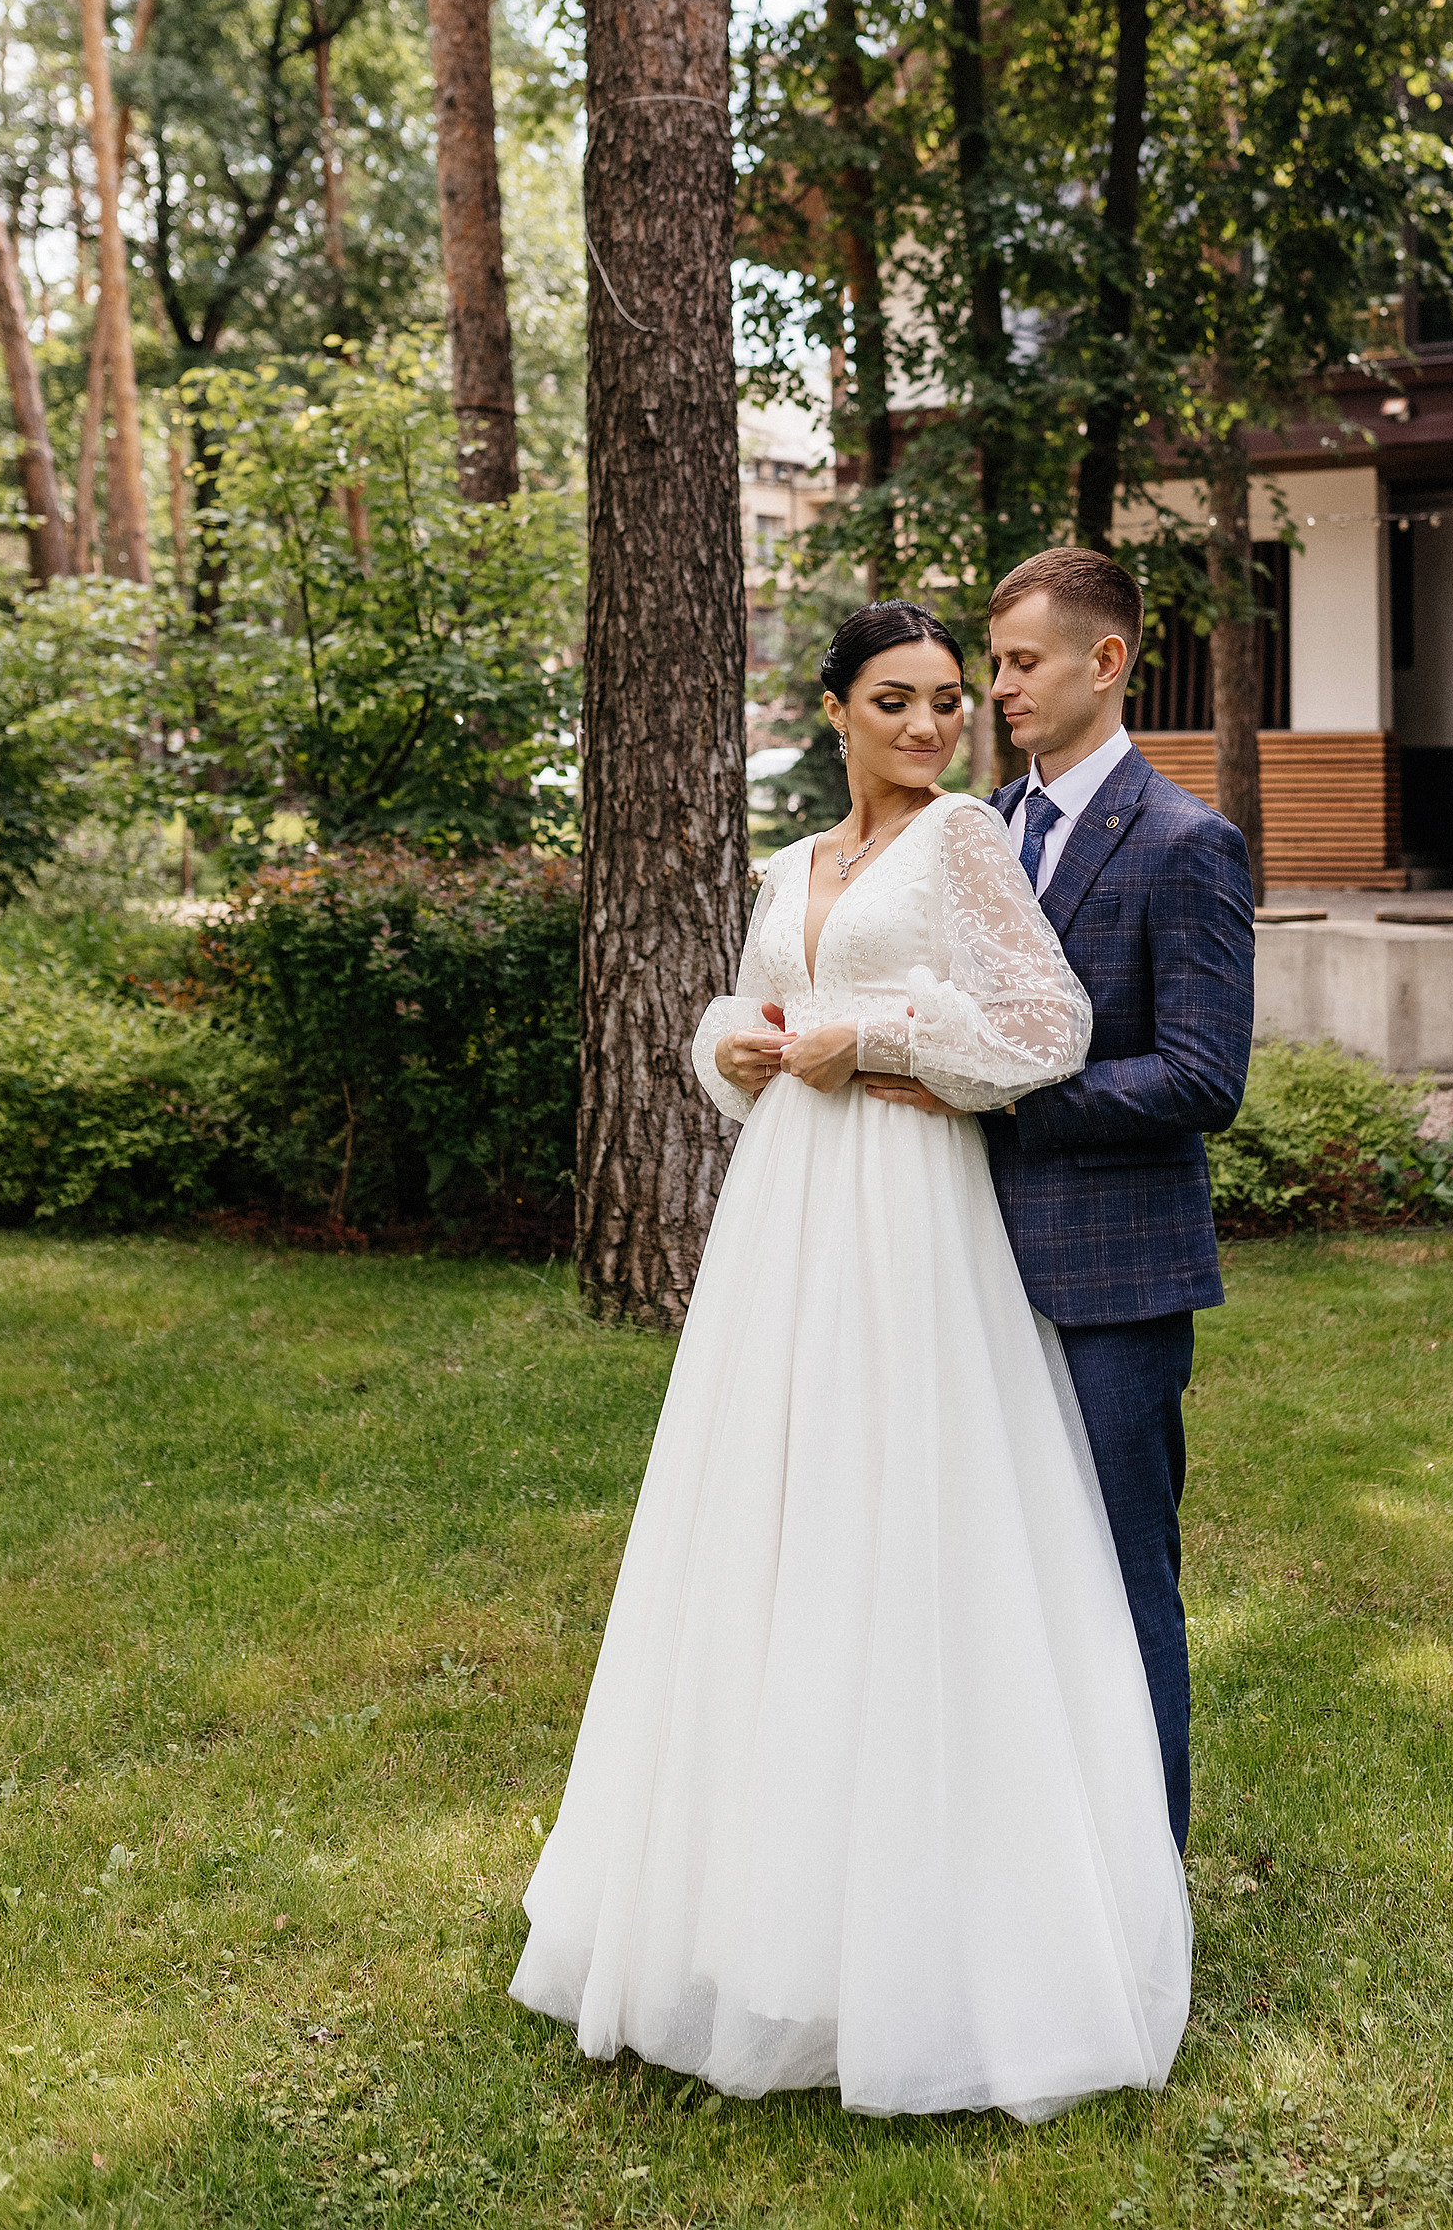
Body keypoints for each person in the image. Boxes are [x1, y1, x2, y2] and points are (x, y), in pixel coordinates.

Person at [510, 600, 1192, 2122]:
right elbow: (754, 1007)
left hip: (907, 1212)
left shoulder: (966, 845)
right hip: (786, 1223)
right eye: (898, 700)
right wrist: (734, 1046)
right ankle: (754, 1919)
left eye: (953, 700)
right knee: (768, 1527)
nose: (934, 725)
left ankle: (940, 1932)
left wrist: (874, 1044)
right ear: (832, 710)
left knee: (903, 1525)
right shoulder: (790, 865)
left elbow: (1048, 1029)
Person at [869, 550, 1254, 1853]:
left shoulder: (1186, 846)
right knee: (977, 1572)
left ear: (1107, 662)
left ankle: (1146, 1882)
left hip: (1112, 1282)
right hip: (955, 1263)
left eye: (1024, 662)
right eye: (998, 664)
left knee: (1115, 1577)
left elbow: (1203, 1076)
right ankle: (1012, 1864)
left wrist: (1006, 1098)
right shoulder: (956, 832)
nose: (999, 688)